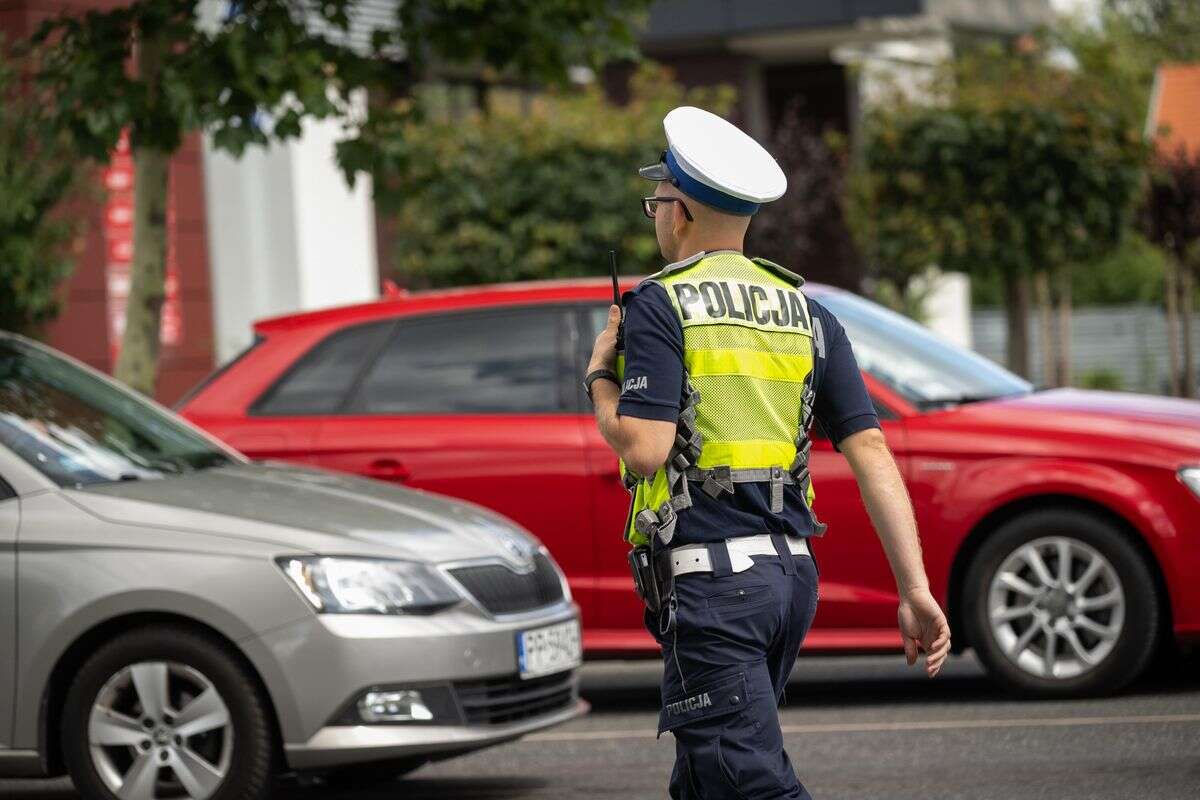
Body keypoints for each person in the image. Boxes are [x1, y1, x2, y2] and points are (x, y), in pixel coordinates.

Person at [582, 106, 952, 799]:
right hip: (789, 582)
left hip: (716, 589)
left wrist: (601, 381)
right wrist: (915, 590)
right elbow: (870, 447)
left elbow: (646, 449)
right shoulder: (806, 310)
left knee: (745, 779)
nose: (653, 216)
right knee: (705, 779)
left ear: (681, 211)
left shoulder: (663, 306)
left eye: (655, 203)